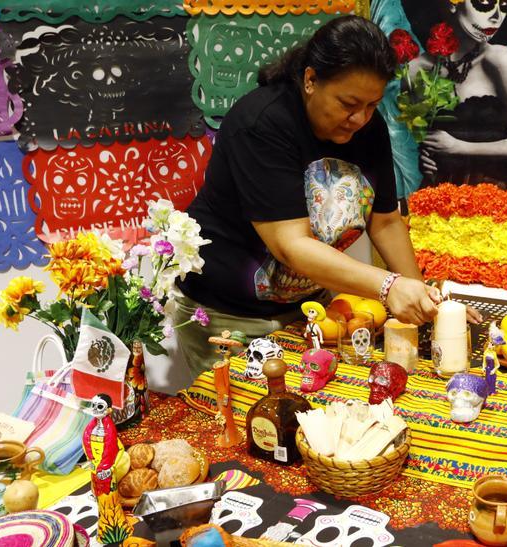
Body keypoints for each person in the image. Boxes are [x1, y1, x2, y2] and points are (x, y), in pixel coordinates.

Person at [174, 16, 475, 383]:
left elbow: (385, 221)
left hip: (311, 315)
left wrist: (424, 300)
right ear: (311, 79)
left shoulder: (369, 127)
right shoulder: (262, 124)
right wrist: (389, 286)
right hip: (226, 316)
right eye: (348, 103)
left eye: (372, 105)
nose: (360, 118)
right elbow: (291, 246)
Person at [407, 0, 507, 188]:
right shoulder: (416, 70)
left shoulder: (499, 59)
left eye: (503, 6)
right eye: (485, 3)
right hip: (438, 192)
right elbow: (411, 141)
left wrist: (459, 147)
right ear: (452, 4)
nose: (497, 17)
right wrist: (425, 156)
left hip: (492, 193)